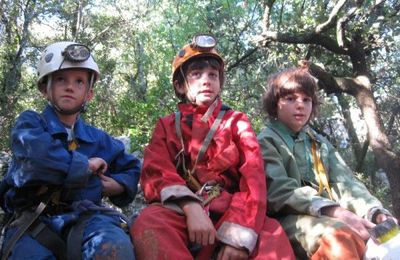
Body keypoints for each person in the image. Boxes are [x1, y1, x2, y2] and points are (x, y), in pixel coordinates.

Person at [130, 34, 295, 260]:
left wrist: (238, 237)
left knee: (272, 236)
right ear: (180, 85)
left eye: (212, 75)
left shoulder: (237, 121)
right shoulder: (167, 125)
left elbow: (254, 179)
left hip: (232, 208)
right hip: (182, 211)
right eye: (196, 75)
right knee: (150, 222)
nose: (206, 80)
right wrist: (190, 206)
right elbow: (156, 171)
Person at [0, 41, 141, 259]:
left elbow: (131, 167)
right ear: (44, 89)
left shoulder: (99, 138)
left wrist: (119, 186)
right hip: (32, 220)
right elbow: (37, 161)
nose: (69, 86)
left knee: (115, 248)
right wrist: (85, 167)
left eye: (79, 81)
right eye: (61, 80)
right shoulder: (29, 123)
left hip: (90, 219)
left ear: (89, 94)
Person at [257, 67, 397, 259]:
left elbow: (346, 183)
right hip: (288, 221)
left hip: (332, 215)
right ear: (275, 105)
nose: (300, 105)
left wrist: (374, 212)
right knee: (340, 236)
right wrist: (336, 212)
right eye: (290, 99)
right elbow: (280, 192)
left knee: (392, 238)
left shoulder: (319, 142)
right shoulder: (266, 141)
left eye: (306, 100)